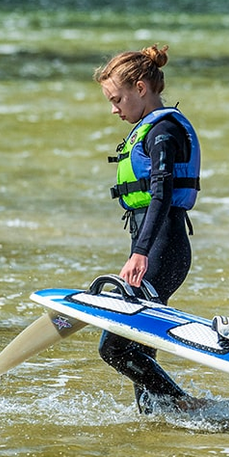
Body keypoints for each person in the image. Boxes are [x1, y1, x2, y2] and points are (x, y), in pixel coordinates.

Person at [93, 44, 203, 413]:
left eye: (116, 99)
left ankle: (186, 405)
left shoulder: (163, 132)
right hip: (153, 244)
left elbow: (161, 194)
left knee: (115, 347)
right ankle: (158, 423)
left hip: (162, 247)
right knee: (138, 346)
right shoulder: (151, 128)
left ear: (141, 88)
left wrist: (140, 252)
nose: (113, 109)